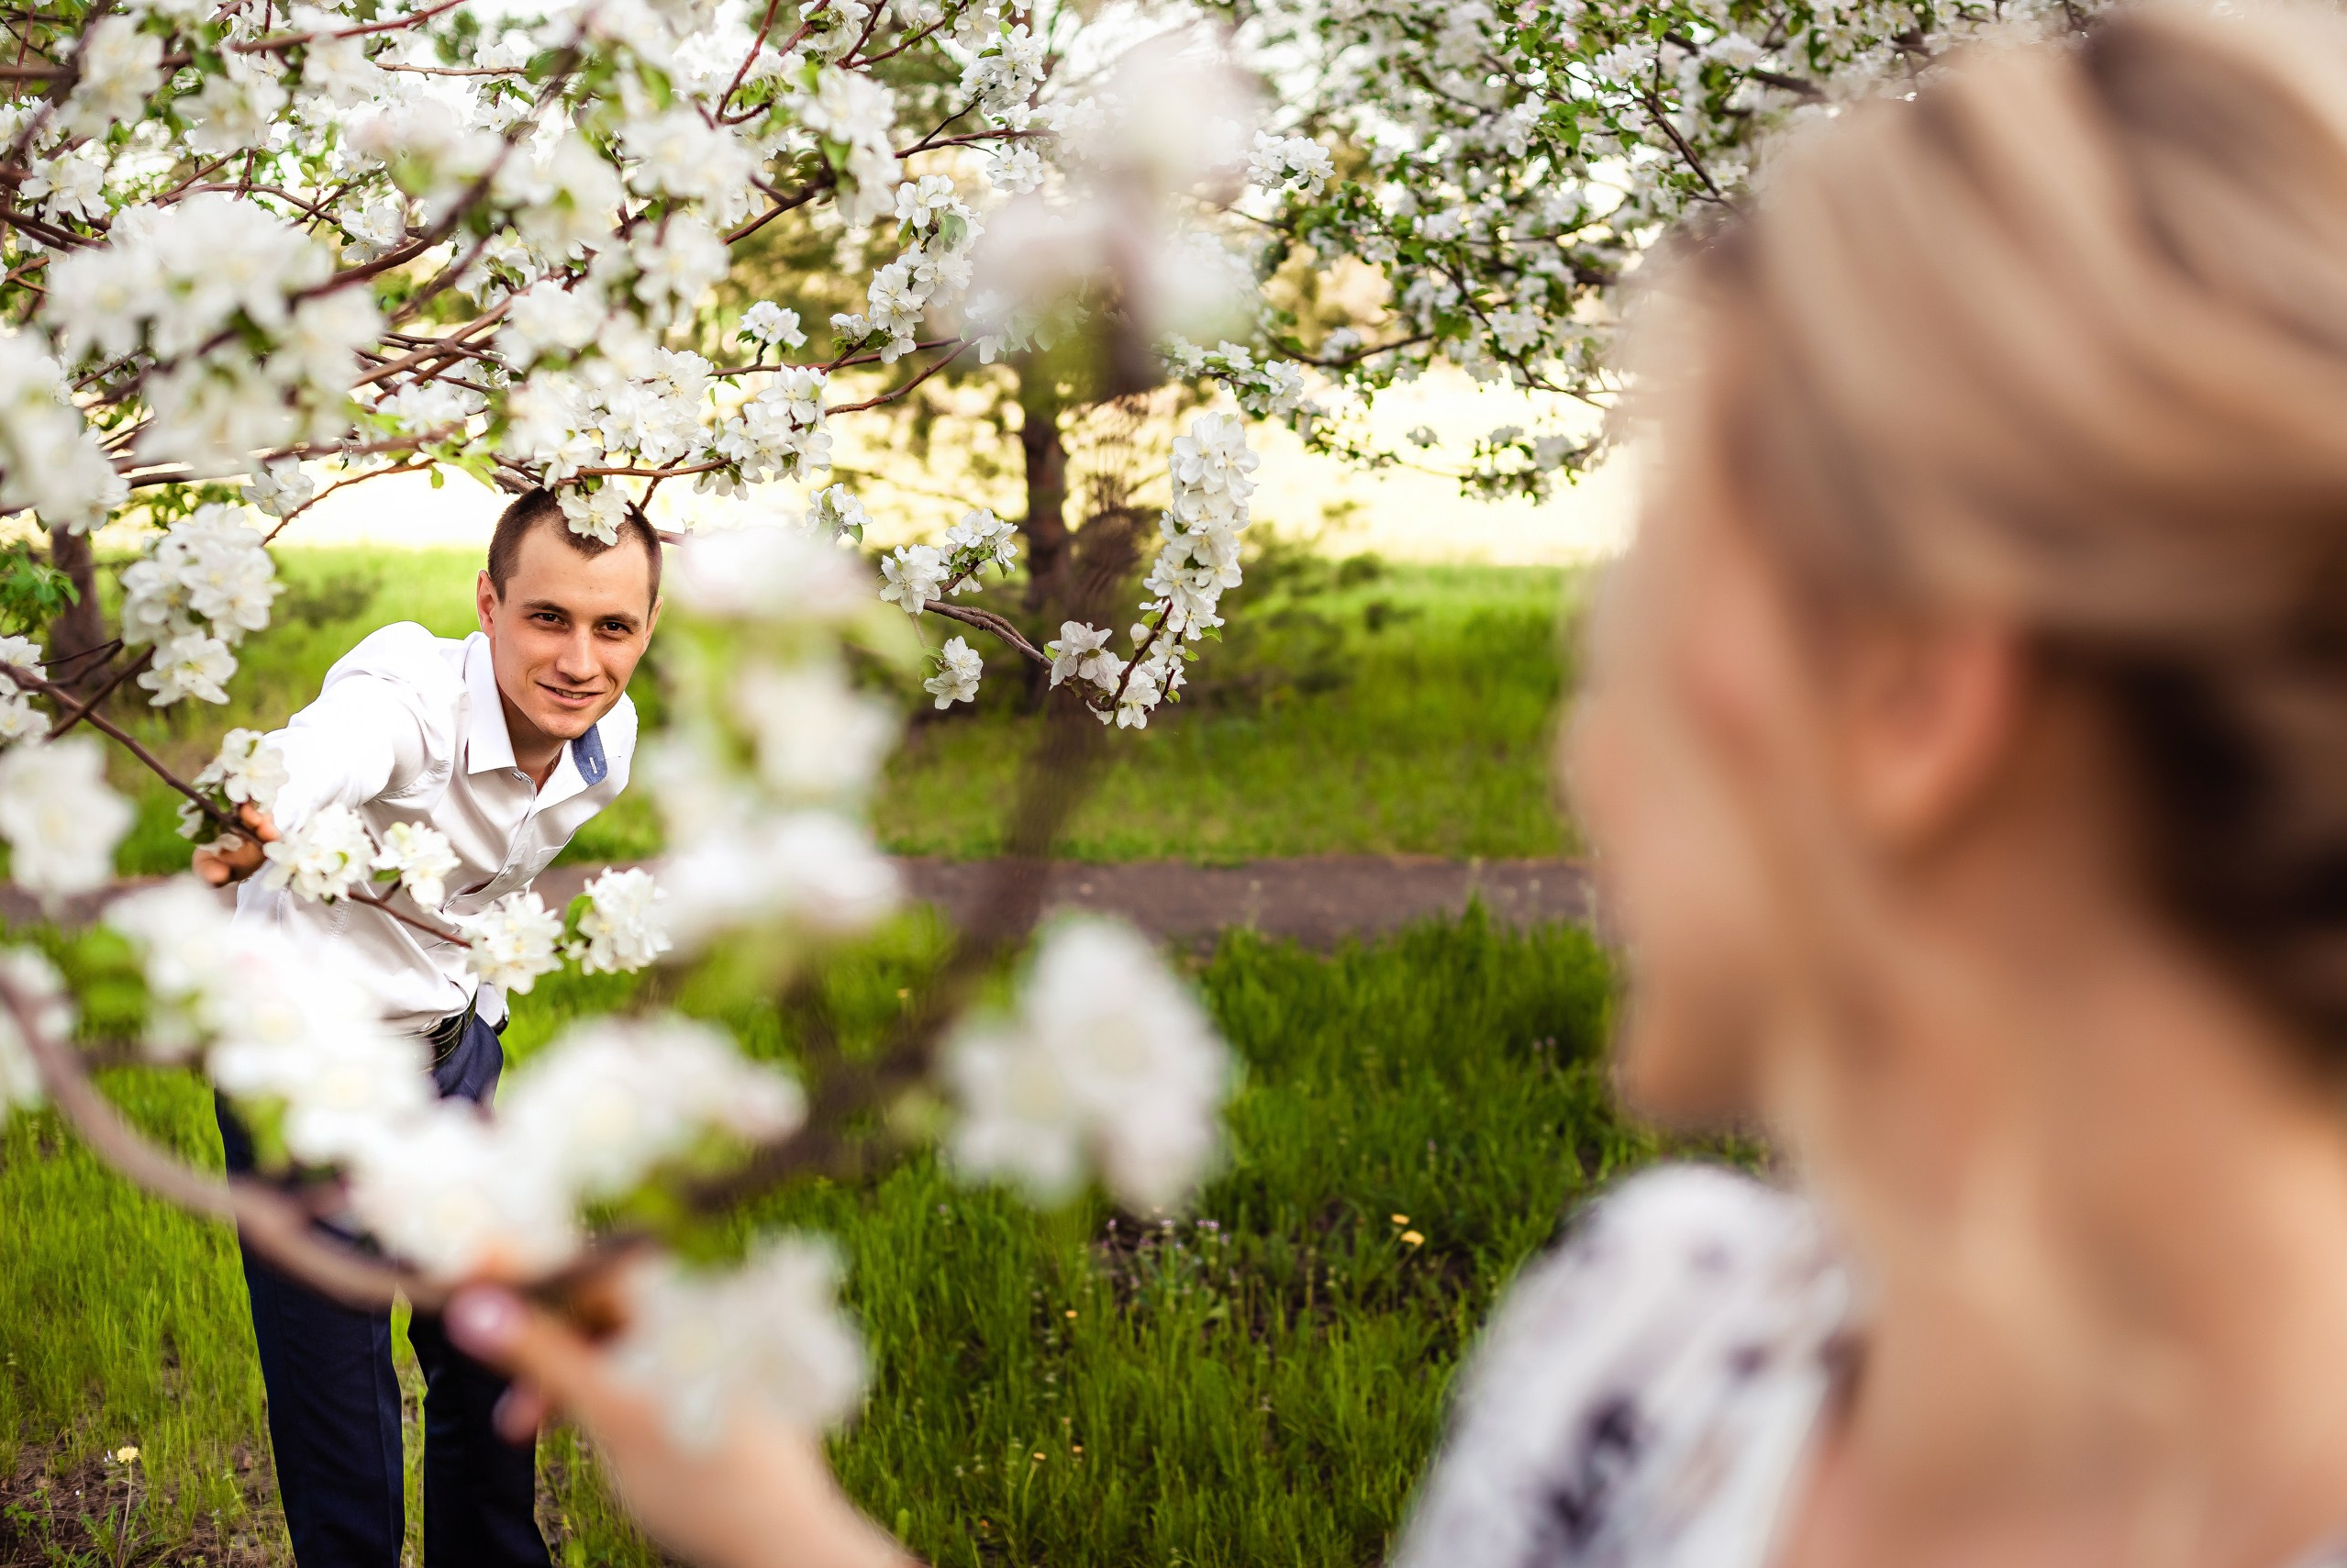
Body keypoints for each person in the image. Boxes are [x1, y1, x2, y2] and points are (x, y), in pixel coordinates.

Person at [439, 7, 2347, 1566]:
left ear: (1911, 698)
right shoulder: (1658, 1335)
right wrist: (776, 1519)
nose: (1579, 750)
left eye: (1640, 606)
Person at [197, 488, 662, 1568]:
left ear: (644, 631)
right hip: (311, 1091)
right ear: (488, 605)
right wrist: (256, 809)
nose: (580, 661)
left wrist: (477, 1036)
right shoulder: (409, 700)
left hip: (452, 1063)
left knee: (495, 1361)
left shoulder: (607, 739)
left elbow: (490, 886)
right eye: (547, 617)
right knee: (346, 1437)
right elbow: (328, 746)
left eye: (613, 627)